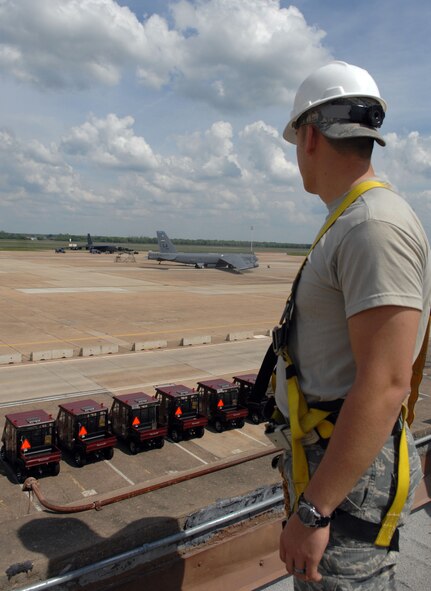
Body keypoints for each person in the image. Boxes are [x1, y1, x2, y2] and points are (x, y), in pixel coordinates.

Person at [273, 61, 431, 589]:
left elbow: (386, 384)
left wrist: (315, 512)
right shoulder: (354, 217)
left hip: (346, 477)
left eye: (295, 140)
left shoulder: (372, 225)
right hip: (339, 462)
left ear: (311, 136)